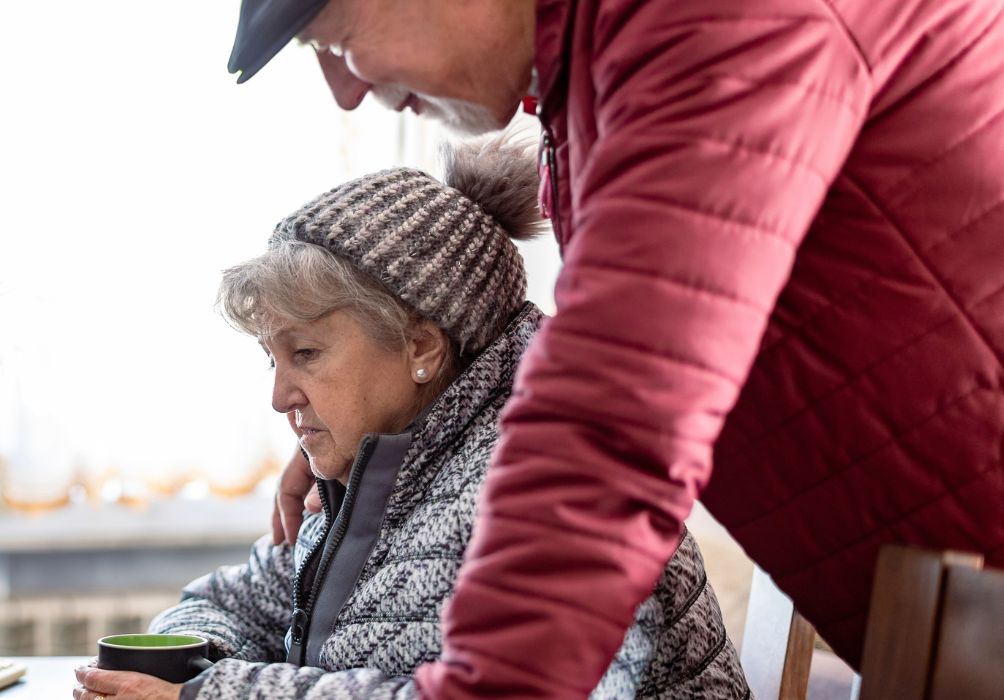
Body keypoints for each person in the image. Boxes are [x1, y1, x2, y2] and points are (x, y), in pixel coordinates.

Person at [228, 0, 1004, 697]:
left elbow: (612, 412)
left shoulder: (703, 27)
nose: (345, 90)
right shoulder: (602, 73)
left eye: (339, 39)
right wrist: (383, 439)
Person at [73, 137, 748, 700]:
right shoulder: (369, 466)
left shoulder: (534, 487)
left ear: (421, 347)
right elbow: (237, 602)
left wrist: (212, 693)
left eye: (305, 353)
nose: (280, 397)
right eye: (272, 360)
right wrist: (188, 659)